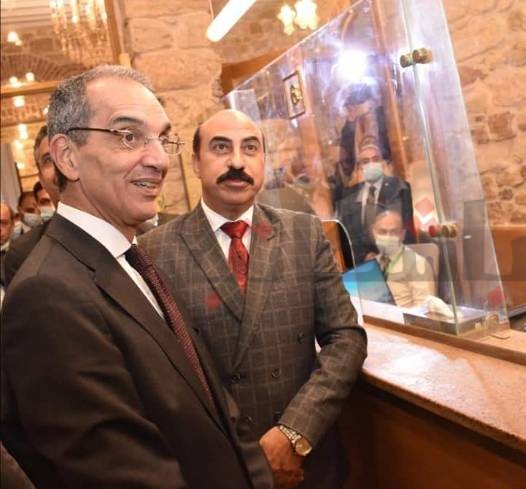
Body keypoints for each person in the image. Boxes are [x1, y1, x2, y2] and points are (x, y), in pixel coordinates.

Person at [1, 65, 268, 488]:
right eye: (128, 136)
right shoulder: (46, 294)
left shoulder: (136, 257)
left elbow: (213, 400)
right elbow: (122, 473)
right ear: (67, 156)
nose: (159, 159)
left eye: (162, 138)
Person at [139, 109, 367, 489]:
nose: (237, 162)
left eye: (250, 148)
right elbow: (158, 376)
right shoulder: (155, 251)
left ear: (263, 160)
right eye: (220, 148)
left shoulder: (304, 233)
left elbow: (346, 337)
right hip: (218, 469)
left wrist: (294, 432)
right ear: (195, 162)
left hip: (308, 463)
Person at [336, 142, 415, 263]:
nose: (371, 164)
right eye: (365, 161)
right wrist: (364, 256)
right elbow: (348, 234)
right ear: (360, 166)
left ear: (383, 163)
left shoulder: (400, 189)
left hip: (398, 260)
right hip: (365, 265)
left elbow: (407, 227)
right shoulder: (349, 196)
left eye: (375, 159)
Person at [3, 126, 59, 287]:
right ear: (41, 178)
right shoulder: (22, 253)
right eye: (48, 159)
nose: (60, 165)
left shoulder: (121, 223)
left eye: (66, 152)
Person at [370, 209, 436, 308]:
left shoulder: (418, 264)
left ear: (402, 234)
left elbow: (426, 310)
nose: (388, 236)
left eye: (393, 232)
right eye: (382, 232)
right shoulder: (373, 264)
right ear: (374, 233)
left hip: (403, 317)